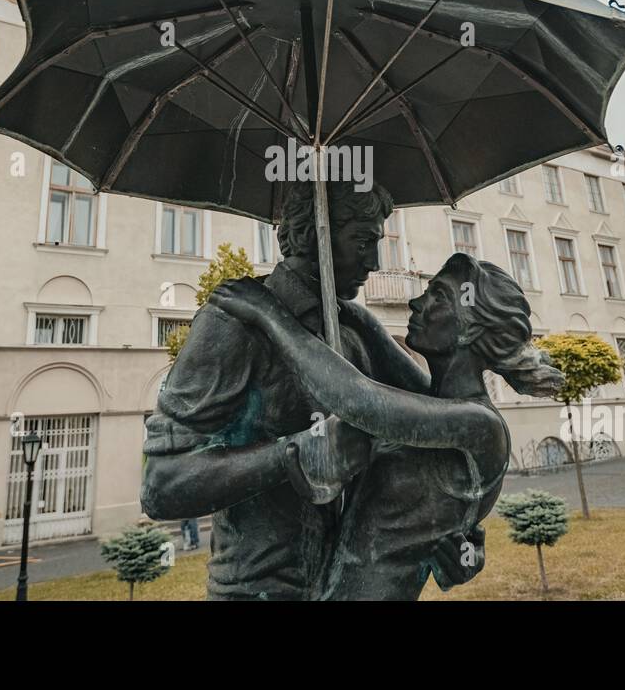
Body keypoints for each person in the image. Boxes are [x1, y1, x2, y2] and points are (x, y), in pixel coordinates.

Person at [141, 178, 455, 599]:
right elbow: (161, 487)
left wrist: (448, 528)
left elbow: (444, 427)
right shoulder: (232, 323)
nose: (375, 261)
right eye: (363, 241)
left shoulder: (357, 330)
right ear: (312, 236)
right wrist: (294, 456)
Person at [211, 252, 562, 600]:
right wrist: (319, 294)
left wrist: (268, 314)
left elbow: (358, 399)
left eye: (438, 296)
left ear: (472, 329)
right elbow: (373, 336)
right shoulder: (431, 397)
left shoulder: (480, 426)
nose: (416, 301)